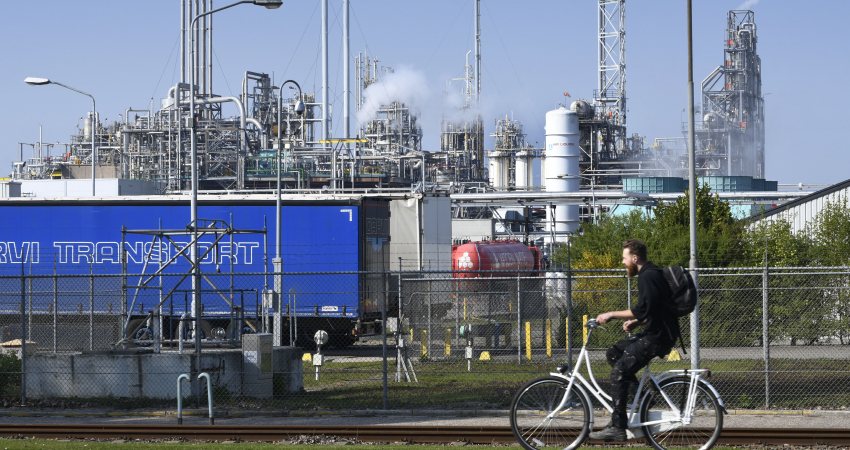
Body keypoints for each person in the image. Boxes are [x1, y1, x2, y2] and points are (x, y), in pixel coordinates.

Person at [587, 239, 679, 442]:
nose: (622, 262)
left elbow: (644, 309)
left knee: (619, 371)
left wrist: (611, 314)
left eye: (624, 258)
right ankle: (643, 396)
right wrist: (636, 322)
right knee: (614, 353)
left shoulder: (648, 276)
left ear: (634, 258)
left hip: (657, 337)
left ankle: (618, 427)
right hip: (655, 332)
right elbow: (653, 308)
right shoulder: (650, 274)